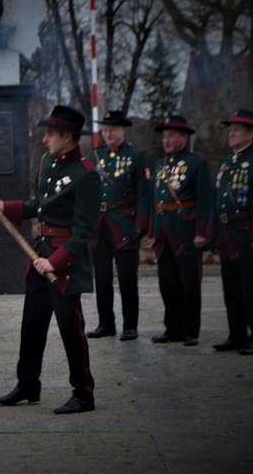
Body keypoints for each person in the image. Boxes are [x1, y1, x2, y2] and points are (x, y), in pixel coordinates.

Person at [0, 105, 100, 414]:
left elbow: (85, 231)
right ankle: (28, 385)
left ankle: (84, 394)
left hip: (65, 264)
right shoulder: (49, 162)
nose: (45, 139)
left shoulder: (86, 175)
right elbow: (38, 205)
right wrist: (2, 205)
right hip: (39, 254)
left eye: (50, 133)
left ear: (68, 137)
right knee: (32, 324)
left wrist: (57, 262)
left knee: (71, 329)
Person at [209, 110, 253, 355]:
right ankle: (236, 335)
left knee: (252, 289)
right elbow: (218, 199)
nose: (231, 133)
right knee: (232, 288)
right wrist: (212, 231)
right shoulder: (225, 161)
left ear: (251, 133)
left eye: (237, 129)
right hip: (226, 232)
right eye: (230, 129)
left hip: (247, 233)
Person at [87, 110, 151, 341]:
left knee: (127, 277)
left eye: (112, 129)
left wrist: (141, 224)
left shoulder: (137, 155)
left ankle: (130, 325)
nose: (108, 133)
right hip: (100, 224)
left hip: (125, 223)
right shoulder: (95, 156)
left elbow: (145, 195)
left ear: (123, 130)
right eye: (105, 129)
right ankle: (106, 324)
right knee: (102, 276)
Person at [149, 115, 214, 347]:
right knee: (167, 284)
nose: (166, 140)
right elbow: (153, 199)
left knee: (189, 284)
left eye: (171, 136)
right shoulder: (159, 164)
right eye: (164, 136)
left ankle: (190, 331)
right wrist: (152, 231)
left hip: (185, 230)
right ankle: (172, 329)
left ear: (184, 138)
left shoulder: (197, 162)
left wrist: (201, 232)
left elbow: (206, 199)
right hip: (164, 232)